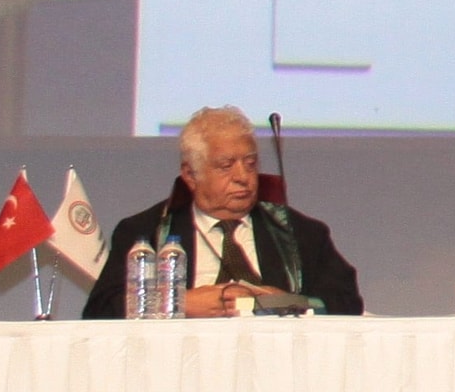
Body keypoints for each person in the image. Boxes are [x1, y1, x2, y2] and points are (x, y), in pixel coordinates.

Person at [87, 107, 366, 316]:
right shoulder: (146, 232)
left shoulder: (301, 233)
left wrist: (288, 303)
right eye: (226, 166)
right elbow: (100, 310)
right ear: (191, 175)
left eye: (250, 164)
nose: (243, 177)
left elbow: (347, 302)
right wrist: (177, 303)